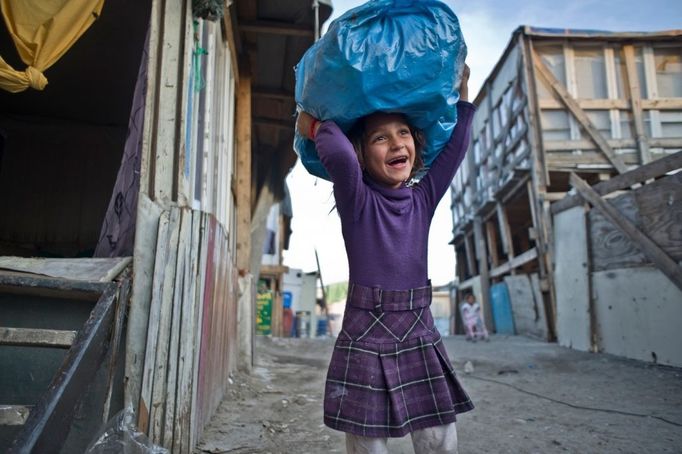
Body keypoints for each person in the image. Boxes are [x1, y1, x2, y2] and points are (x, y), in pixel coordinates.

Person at [296, 64, 475, 454]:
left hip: (418, 328)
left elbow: (457, 147)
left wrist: (463, 92)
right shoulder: (357, 200)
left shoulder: (423, 199)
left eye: (404, 133)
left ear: (417, 145)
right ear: (363, 154)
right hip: (366, 331)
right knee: (367, 445)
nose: (396, 144)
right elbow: (341, 158)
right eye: (380, 138)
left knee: (439, 440)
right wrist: (313, 127)